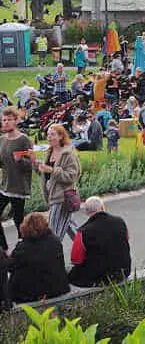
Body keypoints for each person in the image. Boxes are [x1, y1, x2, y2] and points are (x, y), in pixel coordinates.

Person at [0, 212, 69, 306]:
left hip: (30, 294)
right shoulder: (55, 241)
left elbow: (9, 266)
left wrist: (3, 254)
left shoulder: (23, 248)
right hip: (57, 288)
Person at [68, 196, 131, 287]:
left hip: (97, 278)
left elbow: (76, 259)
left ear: (86, 212)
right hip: (123, 272)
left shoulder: (82, 231)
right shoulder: (120, 222)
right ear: (102, 207)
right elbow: (126, 240)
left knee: (68, 272)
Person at [38, 125, 80, 241]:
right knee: (70, 227)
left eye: (52, 134)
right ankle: (87, 250)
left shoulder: (68, 154)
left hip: (62, 197)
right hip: (52, 196)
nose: (49, 137)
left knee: (53, 233)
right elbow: (46, 174)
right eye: (48, 134)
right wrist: (34, 162)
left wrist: (52, 170)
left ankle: (52, 256)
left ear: (61, 136)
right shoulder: (50, 152)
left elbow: (71, 176)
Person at [0, 107, 34, 252]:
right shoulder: (1, 139)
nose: (6, 123)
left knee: (18, 220)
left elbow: (31, 164)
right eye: (4, 120)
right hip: (4, 186)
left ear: (16, 121)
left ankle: (23, 249)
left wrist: (20, 160)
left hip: (18, 187)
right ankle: (4, 248)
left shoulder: (23, 139)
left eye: (9, 120)